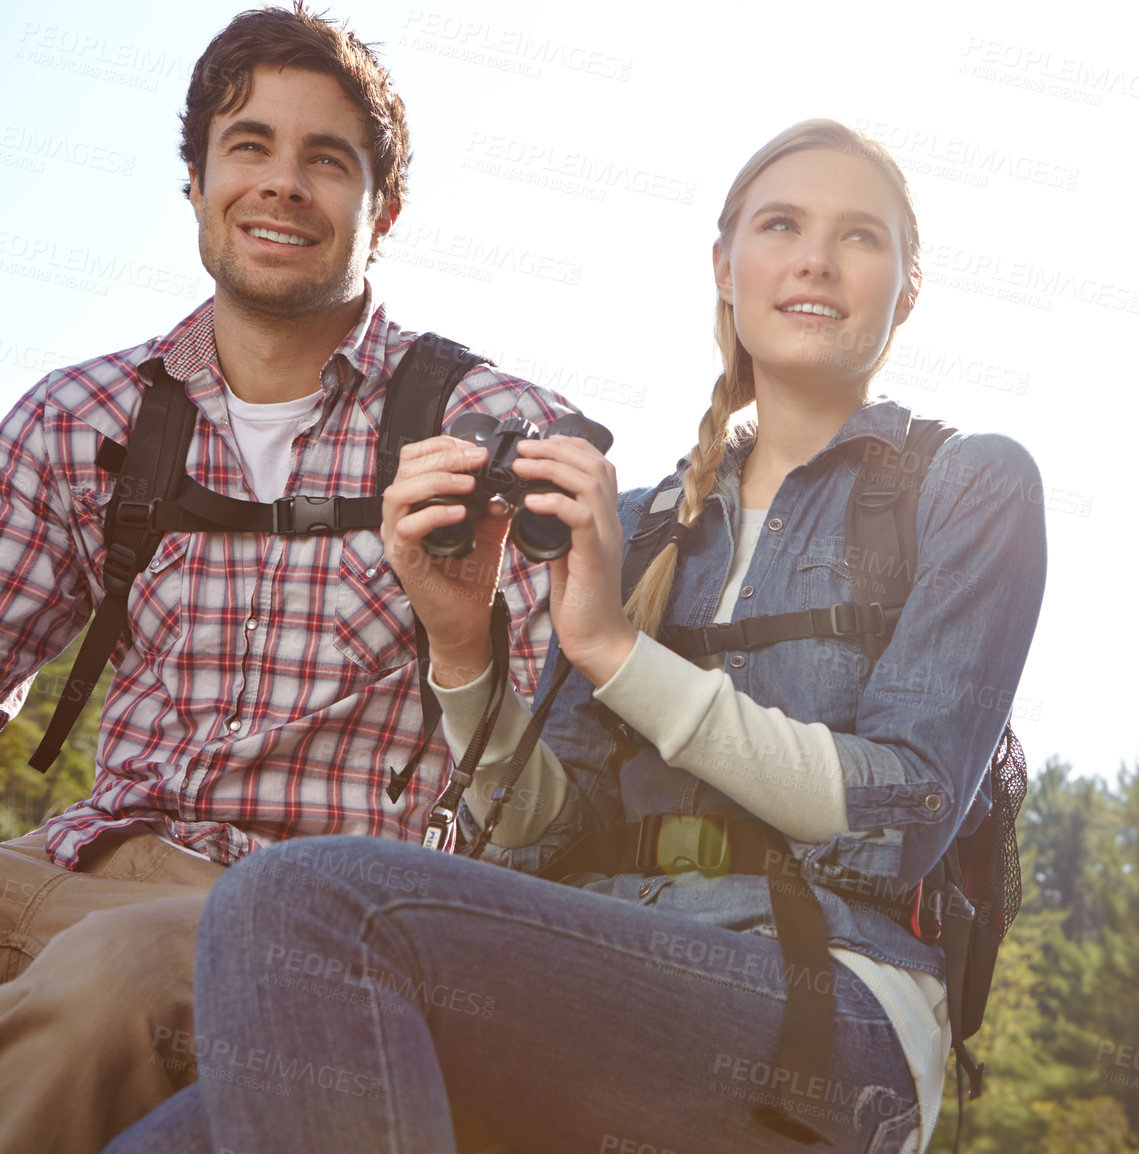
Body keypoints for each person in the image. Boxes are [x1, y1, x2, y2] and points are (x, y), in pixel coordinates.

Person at [106, 118, 1045, 1154]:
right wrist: (460, 643)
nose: (816, 257)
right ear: (724, 266)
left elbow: (896, 819)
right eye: (781, 225)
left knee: (303, 897)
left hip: (829, 1012)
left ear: (908, 288)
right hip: (585, 975)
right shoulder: (642, 521)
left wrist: (616, 651)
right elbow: (543, 837)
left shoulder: (968, 484)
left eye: (860, 235)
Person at [0, 5, 569, 1150]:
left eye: (328, 159)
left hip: (303, 911)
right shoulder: (84, 417)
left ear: (383, 209)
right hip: (77, 854)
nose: (282, 184)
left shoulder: (485, 427)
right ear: (198, 182)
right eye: (249, 146)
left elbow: (554, 783)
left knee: (102, 992)